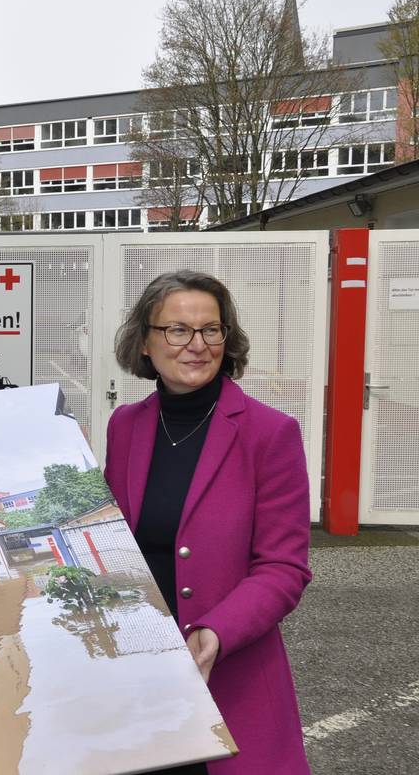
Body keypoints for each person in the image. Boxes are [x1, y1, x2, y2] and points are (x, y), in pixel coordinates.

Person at [105, 270, 312, 774]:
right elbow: (111, 541)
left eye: (210, 329)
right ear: (146, 343)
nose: (197, 345)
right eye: (177, 330)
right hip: (136, 672)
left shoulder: (270, 433)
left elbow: (284, 568)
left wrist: (218, 631)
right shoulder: (125, 425)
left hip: (227, 670)